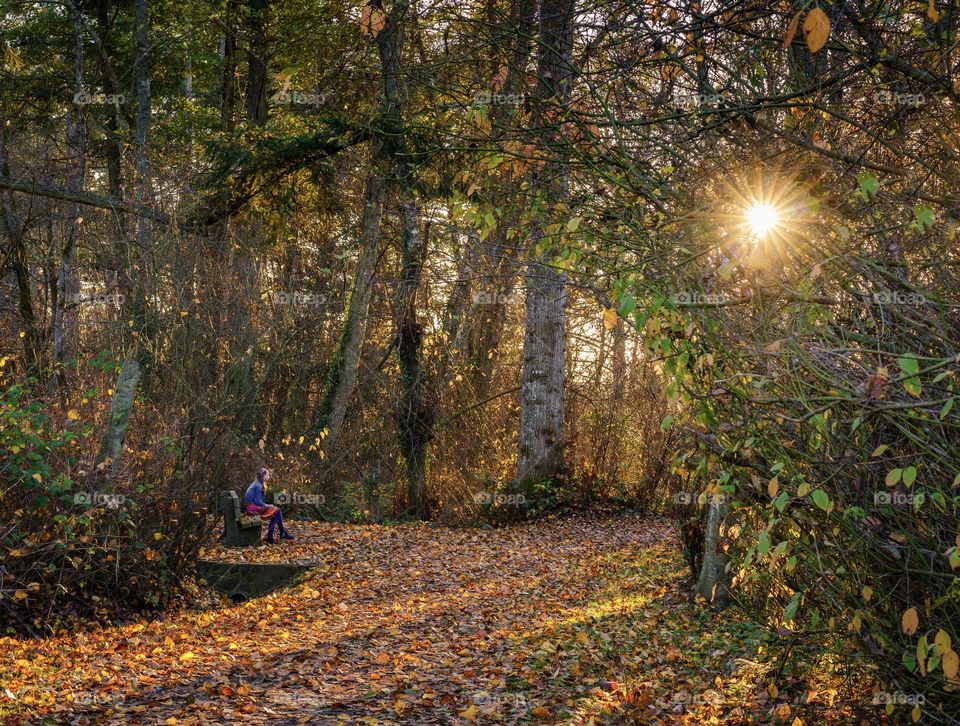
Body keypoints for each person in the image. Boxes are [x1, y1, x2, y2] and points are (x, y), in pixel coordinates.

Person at [244, 467, 294, 544]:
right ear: (263, 476)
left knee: (277, 511)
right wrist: (267, 505)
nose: (269, 476)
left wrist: (267, 506)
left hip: (252, 507)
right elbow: (257, 501)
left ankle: (279, 534)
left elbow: (257, 501)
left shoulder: (258, 483)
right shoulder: (258, 485)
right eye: (268, 475)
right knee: (276, 510)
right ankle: (276, 535)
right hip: (252, 509)